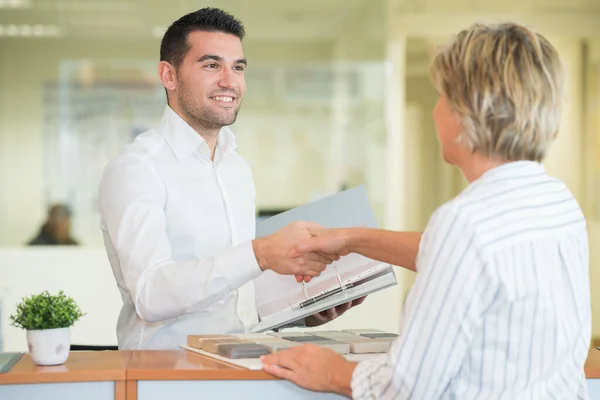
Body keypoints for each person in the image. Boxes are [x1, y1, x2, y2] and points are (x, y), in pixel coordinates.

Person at [262, 22, 591, 399]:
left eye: (441, 96)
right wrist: (354, 238)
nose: (436, 110)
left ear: (467, 111)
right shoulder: (556, 201)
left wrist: (333, 371)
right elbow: (469, 260)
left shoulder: (465, 223)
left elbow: (407, 386)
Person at [98, 8, 361, 351]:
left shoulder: (235, 168)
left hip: (247, 363)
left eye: (238, 67)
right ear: (169, 75)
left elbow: (236, 295)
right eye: (211, 65)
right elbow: (151, 294)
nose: (229, 80)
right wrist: (262, 252)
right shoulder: (136, 168)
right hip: (169, 377)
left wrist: (302, 312)